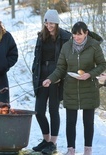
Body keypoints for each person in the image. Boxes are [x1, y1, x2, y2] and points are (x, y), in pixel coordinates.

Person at [42, 21, 106, 155]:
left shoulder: (94, 46)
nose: (76, 37)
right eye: (74, 34)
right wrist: (50, 79)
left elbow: (101, 65)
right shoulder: (66, 47)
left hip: (89, 88)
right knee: (70, 122)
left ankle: (87, 151)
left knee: (88, 122)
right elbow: (60, 68)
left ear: (86, 33)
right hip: (70, 88)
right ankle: (71, 151)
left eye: (80, 35)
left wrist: (89, 74)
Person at [31, 9, 71, 154]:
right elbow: (37, 58)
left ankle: (53, 143)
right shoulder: (41, 36)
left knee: (53, 110)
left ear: (57, 22)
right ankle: (46, 140)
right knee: (39, 111)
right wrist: (35, 74)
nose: (49, 25)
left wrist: (62, 76)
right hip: (42, 75)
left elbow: (69, 60)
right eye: (47, 22)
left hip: (57, 77)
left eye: (52, 23)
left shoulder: (66, 37)